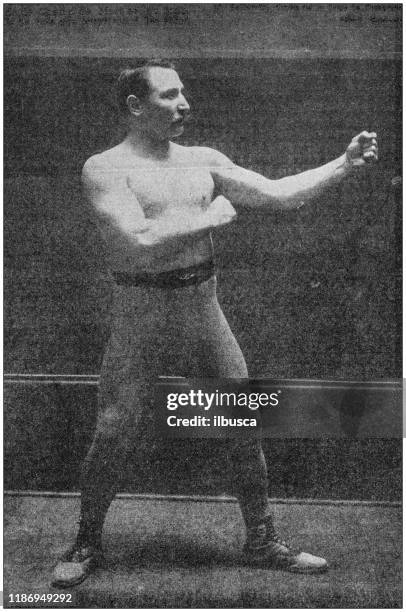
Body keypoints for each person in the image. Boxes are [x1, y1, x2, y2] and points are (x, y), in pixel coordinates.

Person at [52, 59, 378, 587]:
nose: (185, 104)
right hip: (142, 313)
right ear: (136, 106)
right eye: (169, 95)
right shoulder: (105, 168)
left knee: (240, 422)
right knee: (115, 428)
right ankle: (86, 540)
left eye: (184, 93)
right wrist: (210, 217)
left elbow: (278, 194)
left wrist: (342, 165)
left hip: (202, 309)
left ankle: (262, 539)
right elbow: (139, 241)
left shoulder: (202, 159)